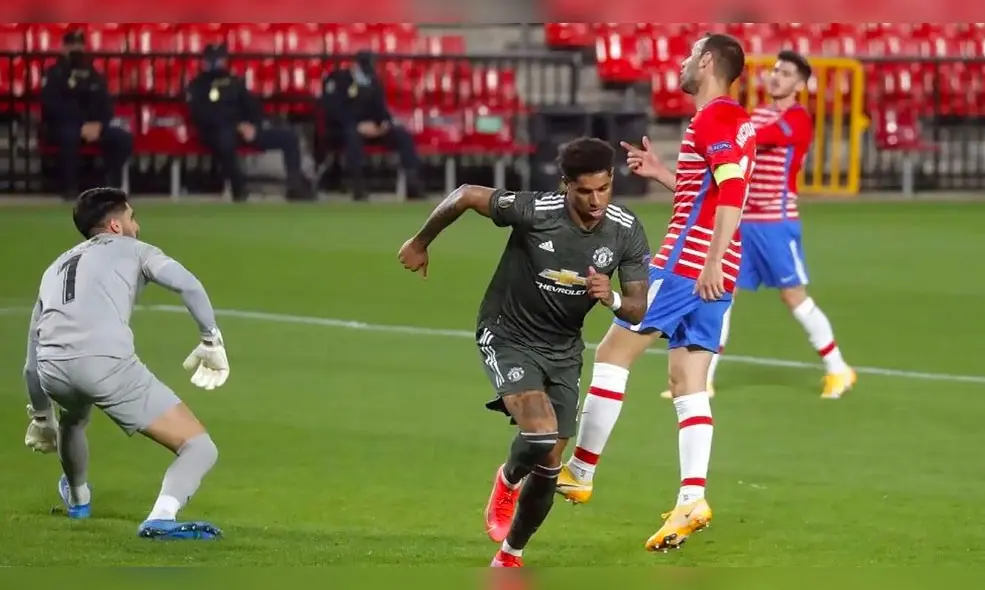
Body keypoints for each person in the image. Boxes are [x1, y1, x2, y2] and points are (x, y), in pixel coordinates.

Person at [397, 138, 650, 567]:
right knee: (539, 434)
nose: (595, 201)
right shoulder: (537, 211)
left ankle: (510, 555)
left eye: (604, 189)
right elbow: (464, 196)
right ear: (565, 184)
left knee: (550, 466)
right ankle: (508, 478)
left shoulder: (625, 228)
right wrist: (421, 242)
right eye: (584, 191)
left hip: (564, 349)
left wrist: (610, 300)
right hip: (508, 334)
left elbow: (638, 309)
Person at [555, 34, 756, 552]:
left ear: (709, 62)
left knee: (613, 352)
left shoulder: (712, 118)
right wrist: (667, 174)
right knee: (688, 378)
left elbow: (732, 189)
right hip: (718, 270)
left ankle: (580, 469)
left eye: (691, 55)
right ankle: (692, 496)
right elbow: (713, 190)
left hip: (689, 263)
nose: (684, 63)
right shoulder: (736, 120)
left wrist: (707, 260)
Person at [22, 187, 231, 540]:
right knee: (199, 447)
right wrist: (211, 338)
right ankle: (162, 518)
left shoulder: (55, 267)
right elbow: (188, 284)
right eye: (132, 217)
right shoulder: (137, 250)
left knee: (72, 420)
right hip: (106, 364)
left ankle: (78, 499)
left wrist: (42, 417)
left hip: (52, 368)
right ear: (116, 225)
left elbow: (31, 356)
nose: (137, 226)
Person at [660, 50, 855, 400]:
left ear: (800, 84)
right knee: (720, 292)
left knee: (793, 295)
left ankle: (839, 368)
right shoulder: (756, 115)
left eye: (786, 73)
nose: (777, 77)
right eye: (775, 70)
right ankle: (704, 379)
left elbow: (754, 139)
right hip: (742, 222)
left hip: (776, 223)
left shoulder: (797, 120)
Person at [186, 43, 312, 201]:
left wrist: (252, 125)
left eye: (221, 59)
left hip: (245, 131)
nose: (219, 64)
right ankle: (238, 189)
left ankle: (295, 186)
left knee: (289, 137)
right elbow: (203, 116)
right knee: (225, 139)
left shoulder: (235, 82)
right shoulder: (198, 86)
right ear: (205, 62)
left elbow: (253, 108)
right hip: (217, 132)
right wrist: (236, 125)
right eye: (215, 60)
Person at [40, 29, 133, 201]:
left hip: (94, 126)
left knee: (122, 138)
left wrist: (99, 124)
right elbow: (52, 106)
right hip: (64, 124)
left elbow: (105, 105)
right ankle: (69, 188)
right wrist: (80, 125)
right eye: (71, 45)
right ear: (64, 48)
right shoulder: (54, 74)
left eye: (79, 44)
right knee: (68, 137)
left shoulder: (94, 74)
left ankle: (111, 186)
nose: (76, 48)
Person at [320, 51, 423, 201]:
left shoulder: (373, 81)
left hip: (373, 129)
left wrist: (383, 124)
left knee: (403, 135)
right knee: (352, 137)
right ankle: (358, 186)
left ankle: (413, 182)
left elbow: (381, 108)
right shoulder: (340, 79)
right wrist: (357, 126)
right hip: (347, 129)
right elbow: (334, 110)